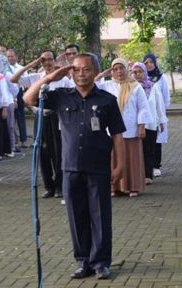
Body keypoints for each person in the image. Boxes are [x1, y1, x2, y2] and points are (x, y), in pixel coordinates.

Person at [23, 53, 126, 280]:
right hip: (70, 168)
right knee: (76, 216)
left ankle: (101, 263)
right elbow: (28, 99)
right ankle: (83, 262)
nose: (81, 74)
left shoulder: (107, 100)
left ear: (95, 71)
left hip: (99, 167)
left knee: (100, 216)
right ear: (71, 72)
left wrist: (120, 166)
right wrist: (50, 77)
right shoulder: (61, 96)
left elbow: (118, 135)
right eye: (76, 69)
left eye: (86, 69)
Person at [11, 50, 75, 198]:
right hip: (41, 118)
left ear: (55, 60)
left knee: (58, 153)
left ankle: (60, 186)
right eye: (43, 60)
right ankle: (48, 186)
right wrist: (32, 64)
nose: (47, 63)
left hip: (57, 118)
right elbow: (14, 79)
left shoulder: (62, 78)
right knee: (42, 153)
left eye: (49, 59)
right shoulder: (36, 78)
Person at [97, 58, 152, 197]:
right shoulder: (107, 86)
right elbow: (92, 85)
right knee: (113, 159)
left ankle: (133, 187)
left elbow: (143, 107)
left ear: (127, 69)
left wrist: (141, 126)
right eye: (115, 69)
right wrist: (103, 74)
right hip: (113, 130)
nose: (119, 72)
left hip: (131, 129)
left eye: (121, 68)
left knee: (132, 159)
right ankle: (115, 187)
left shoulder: (135, 86)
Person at [132, 62, 167, 185]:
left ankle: (148, 175)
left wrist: (161, 121)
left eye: (140, 71)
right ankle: (137, 174)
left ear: (144, 72)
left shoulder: (153, 86)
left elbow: (159, 104)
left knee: (149, 150)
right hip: (134, 124)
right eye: (134, 72)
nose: (137, 74)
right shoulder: (130, 87)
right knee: (136, 150)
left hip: (151, 123)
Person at [143, 53, 170, 177]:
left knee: (157, 140)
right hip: (144, 117)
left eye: (150, 62)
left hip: (156, 114)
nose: (148, 65)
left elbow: (165, 97)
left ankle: (156, 165)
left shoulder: (161, 78)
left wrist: (161, 114)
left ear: (155, 63)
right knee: (146, 142)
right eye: (146, 63)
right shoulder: (140, 78)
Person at [6, 49, 27, 150]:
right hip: (9, 94)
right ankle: (14, 141)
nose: (10, 58)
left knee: (20, 116)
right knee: (11, 119)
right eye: (8, 56)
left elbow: (25, 82)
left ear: (16, 57)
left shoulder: (21, 68)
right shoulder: (5, 68)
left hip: (19, 93)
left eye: (12, 56)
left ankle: (23, 140)